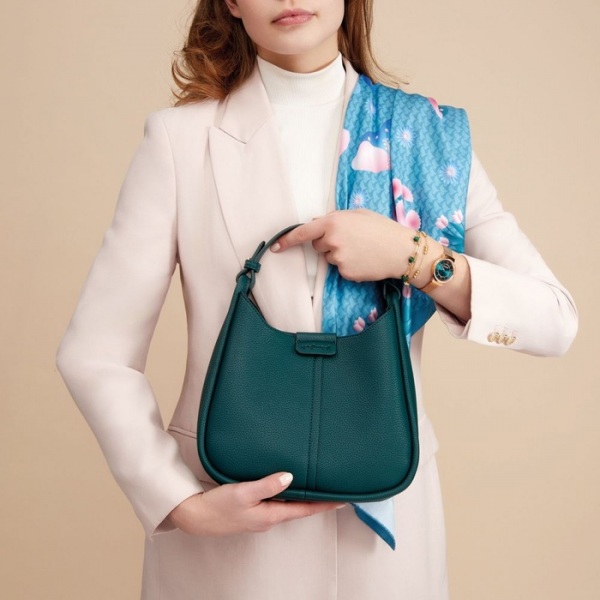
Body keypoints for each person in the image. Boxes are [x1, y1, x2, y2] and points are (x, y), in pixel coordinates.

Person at [56, 1, 578, 598]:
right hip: (226, 524)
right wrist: (178, 502)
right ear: (231, 3)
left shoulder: (428, 137)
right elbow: (95, 353)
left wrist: (414, 257)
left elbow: (553, 321)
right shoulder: (180, 141)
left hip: (387, 529)